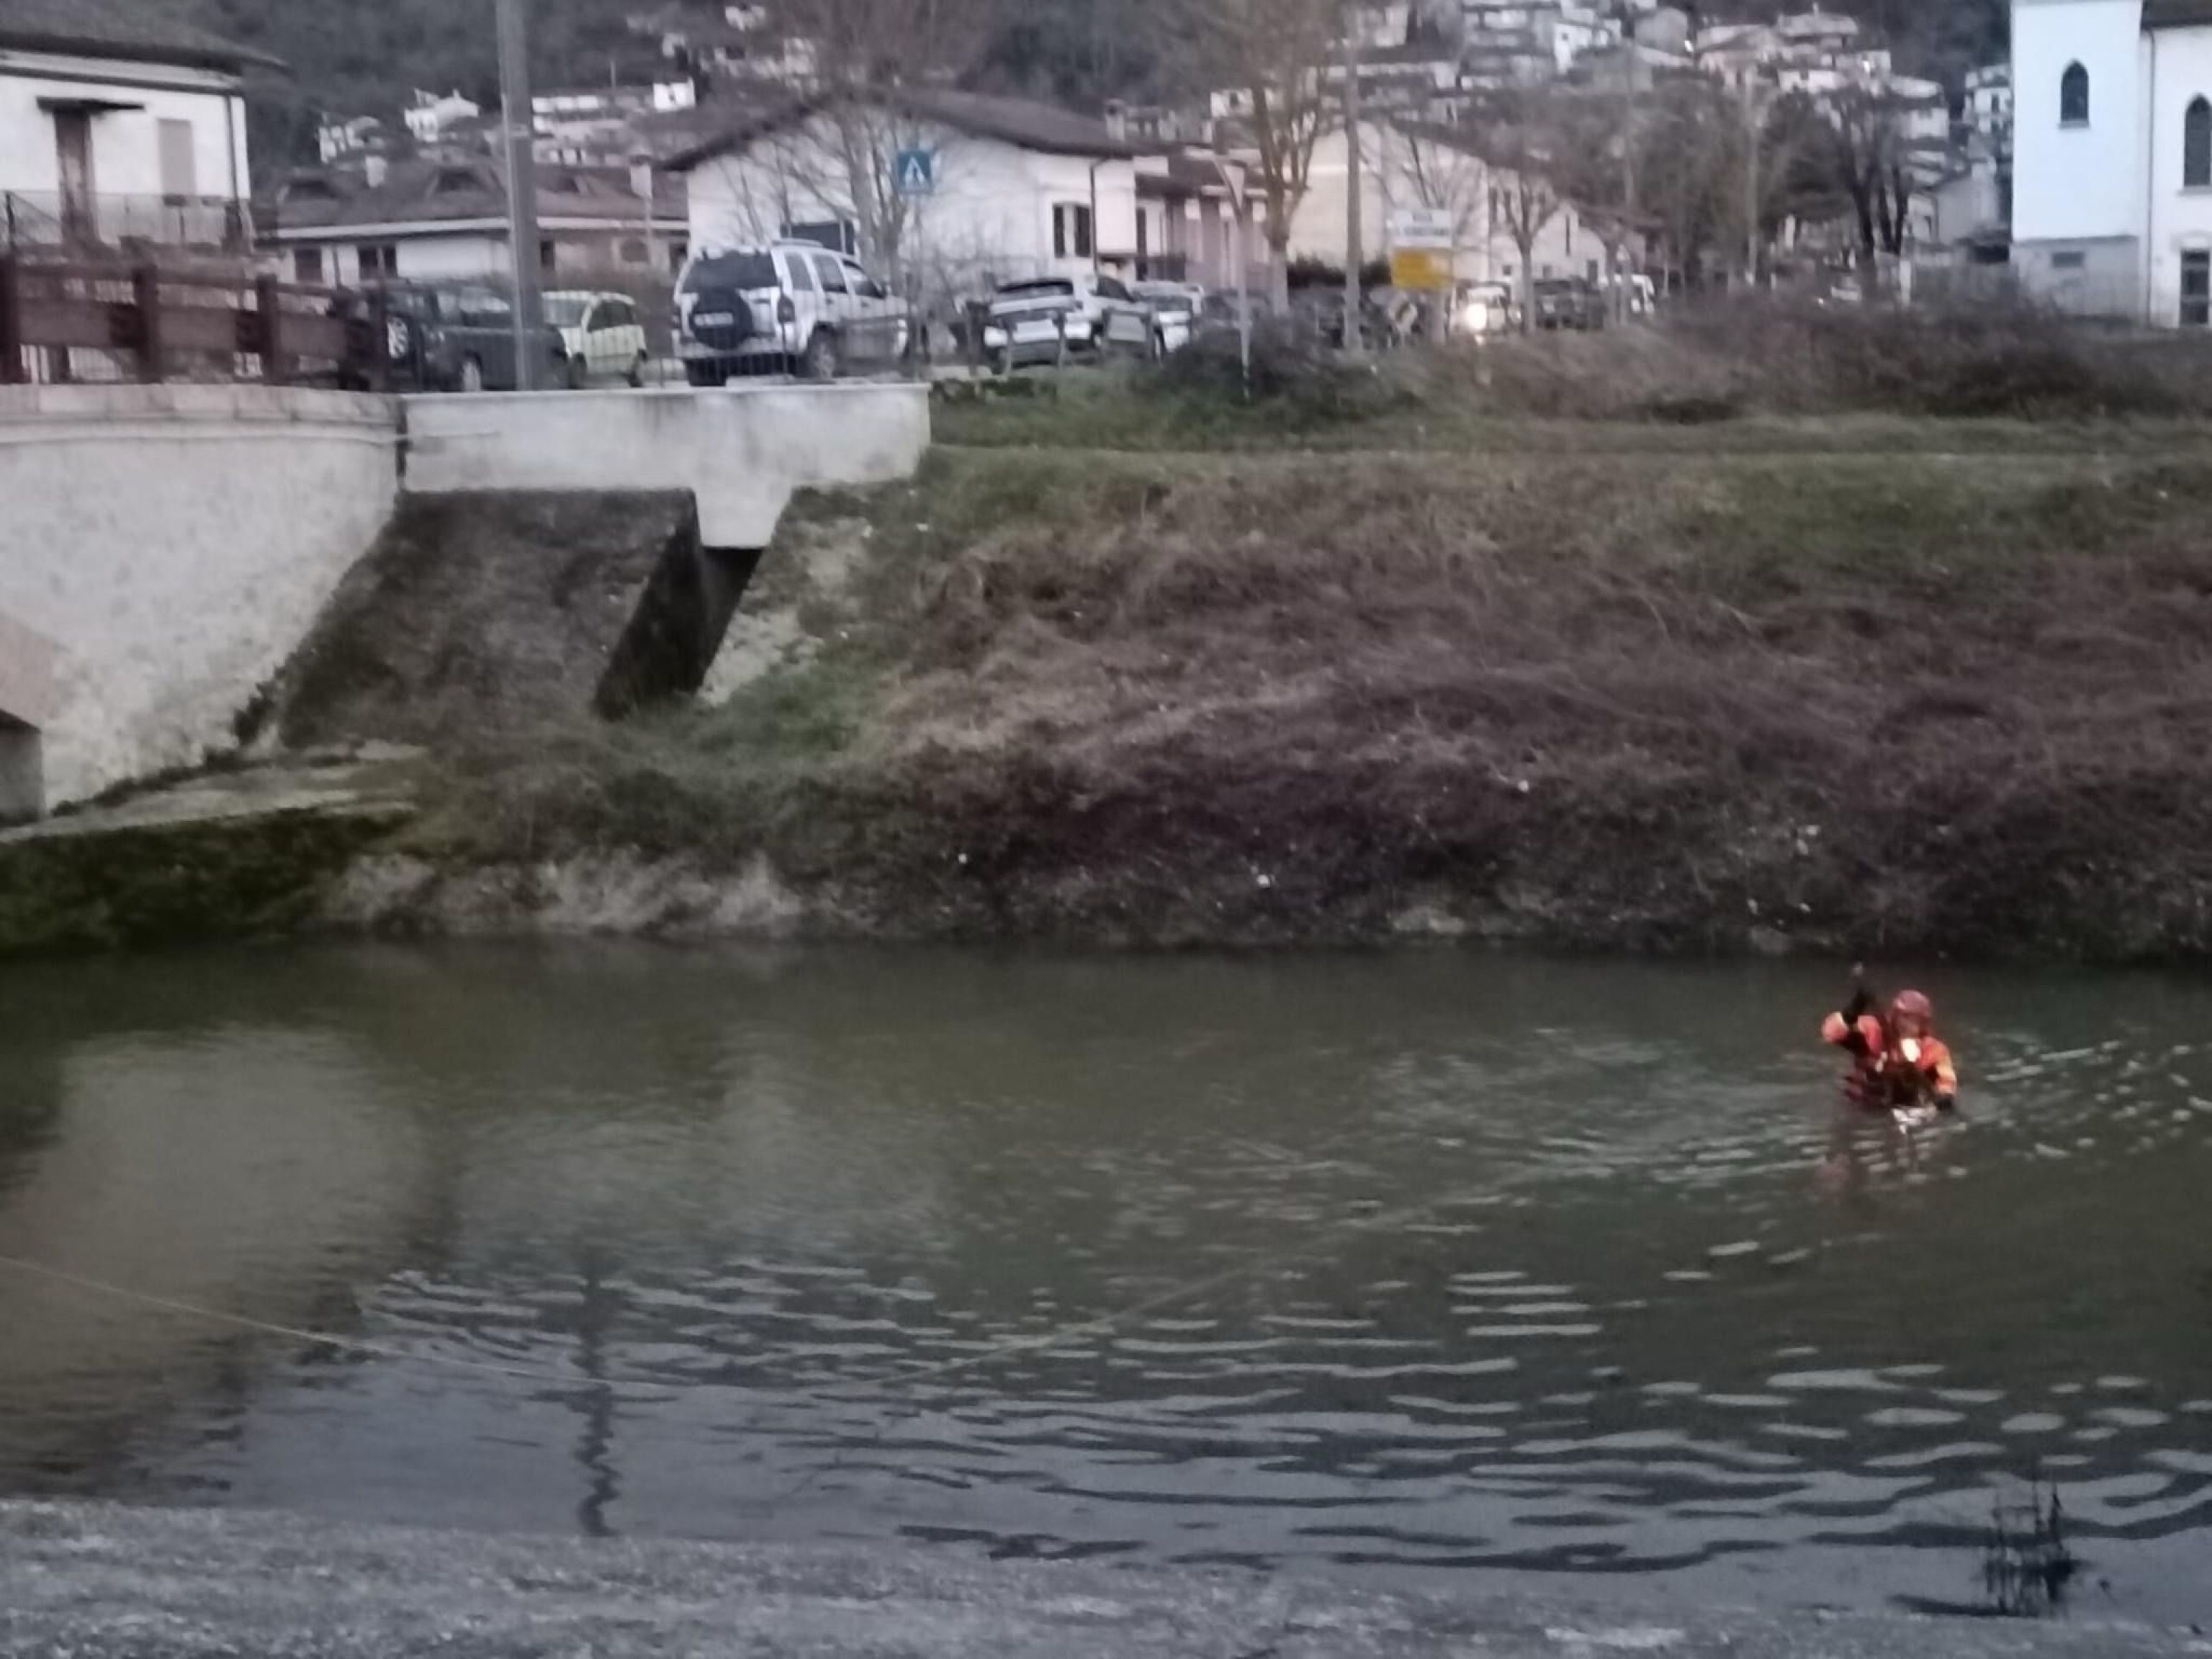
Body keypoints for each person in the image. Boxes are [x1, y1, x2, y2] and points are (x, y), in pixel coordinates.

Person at [1822, 974, 1959, 1117]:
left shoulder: (1934, 1050)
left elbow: (1946, 1079)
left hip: (1905, 1109)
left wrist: (1945, 1095)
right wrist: (1850, 1013)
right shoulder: (1872, 1030)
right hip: (1862, 1104)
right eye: (1904, 1017)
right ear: (1895, 1016)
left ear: (1923, 1024)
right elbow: (1832, 1032)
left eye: (1915, 1020)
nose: (1907, 1025)